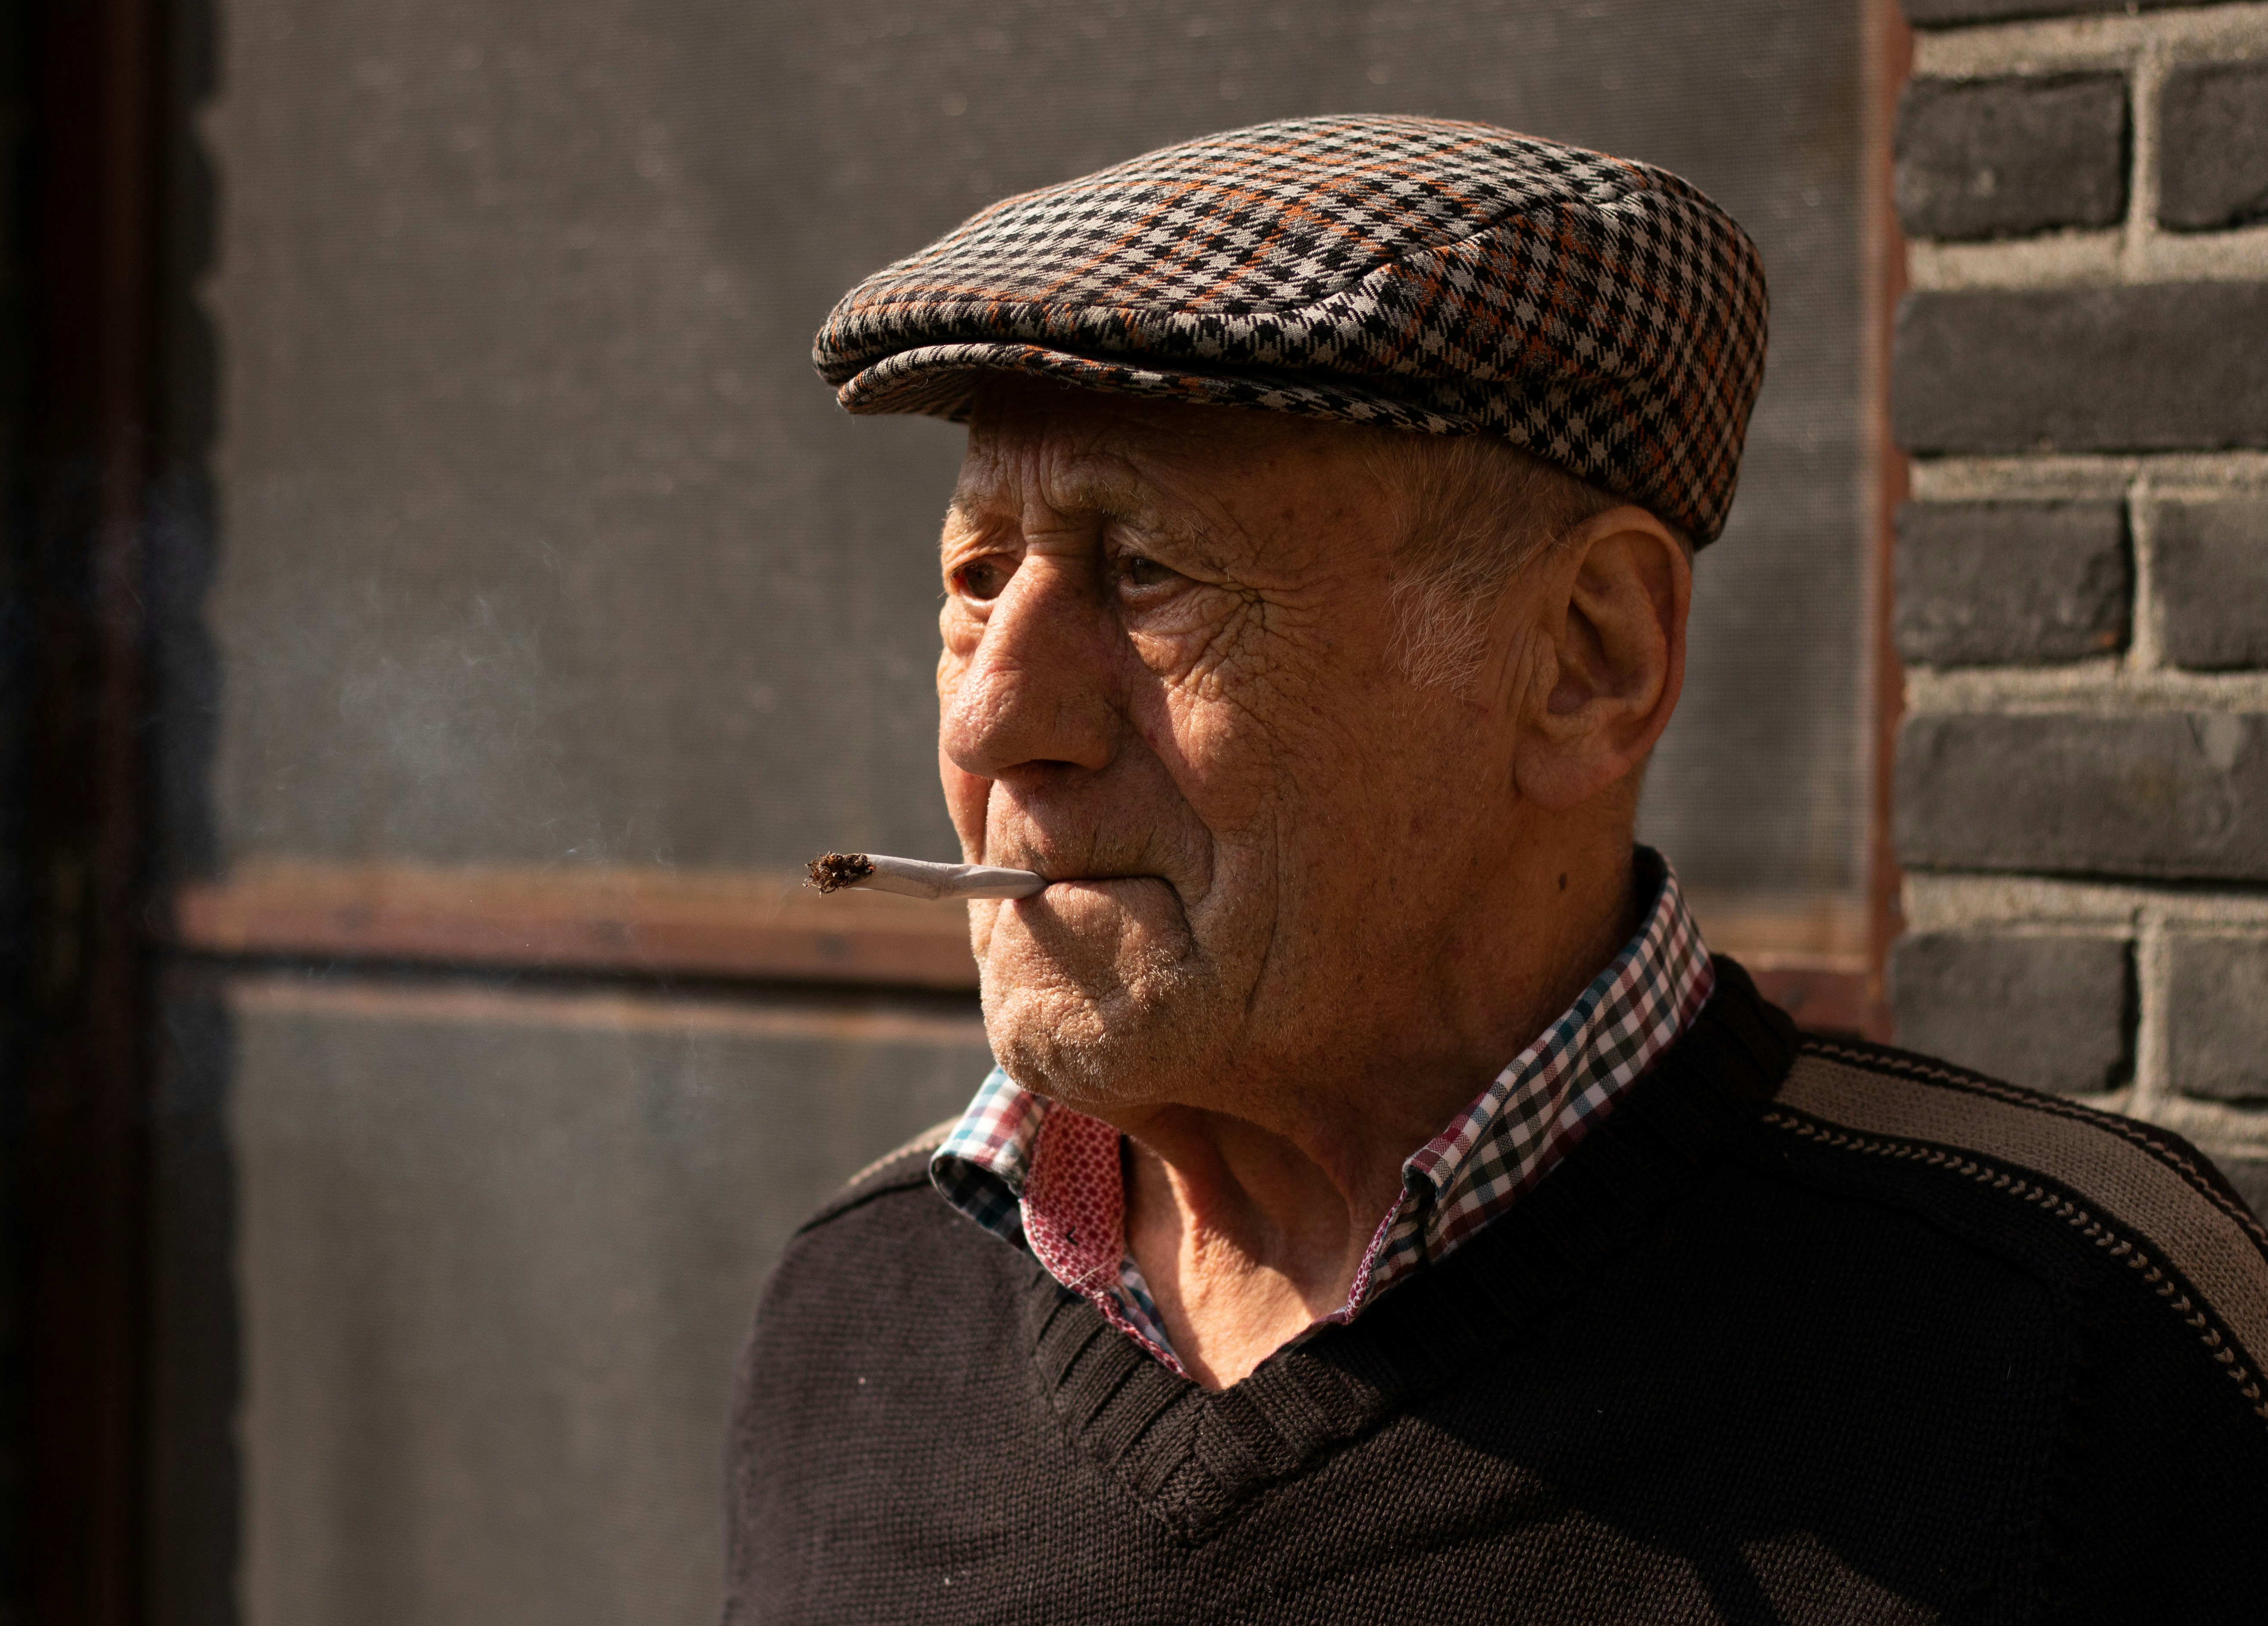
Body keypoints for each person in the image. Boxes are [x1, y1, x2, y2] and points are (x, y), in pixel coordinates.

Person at [722, 116, 2268, 1623]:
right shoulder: (858, 1310)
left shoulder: (2074, 1350)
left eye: (1147, 573)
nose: (997, 716)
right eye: (978, 578)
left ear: (1587, 658)